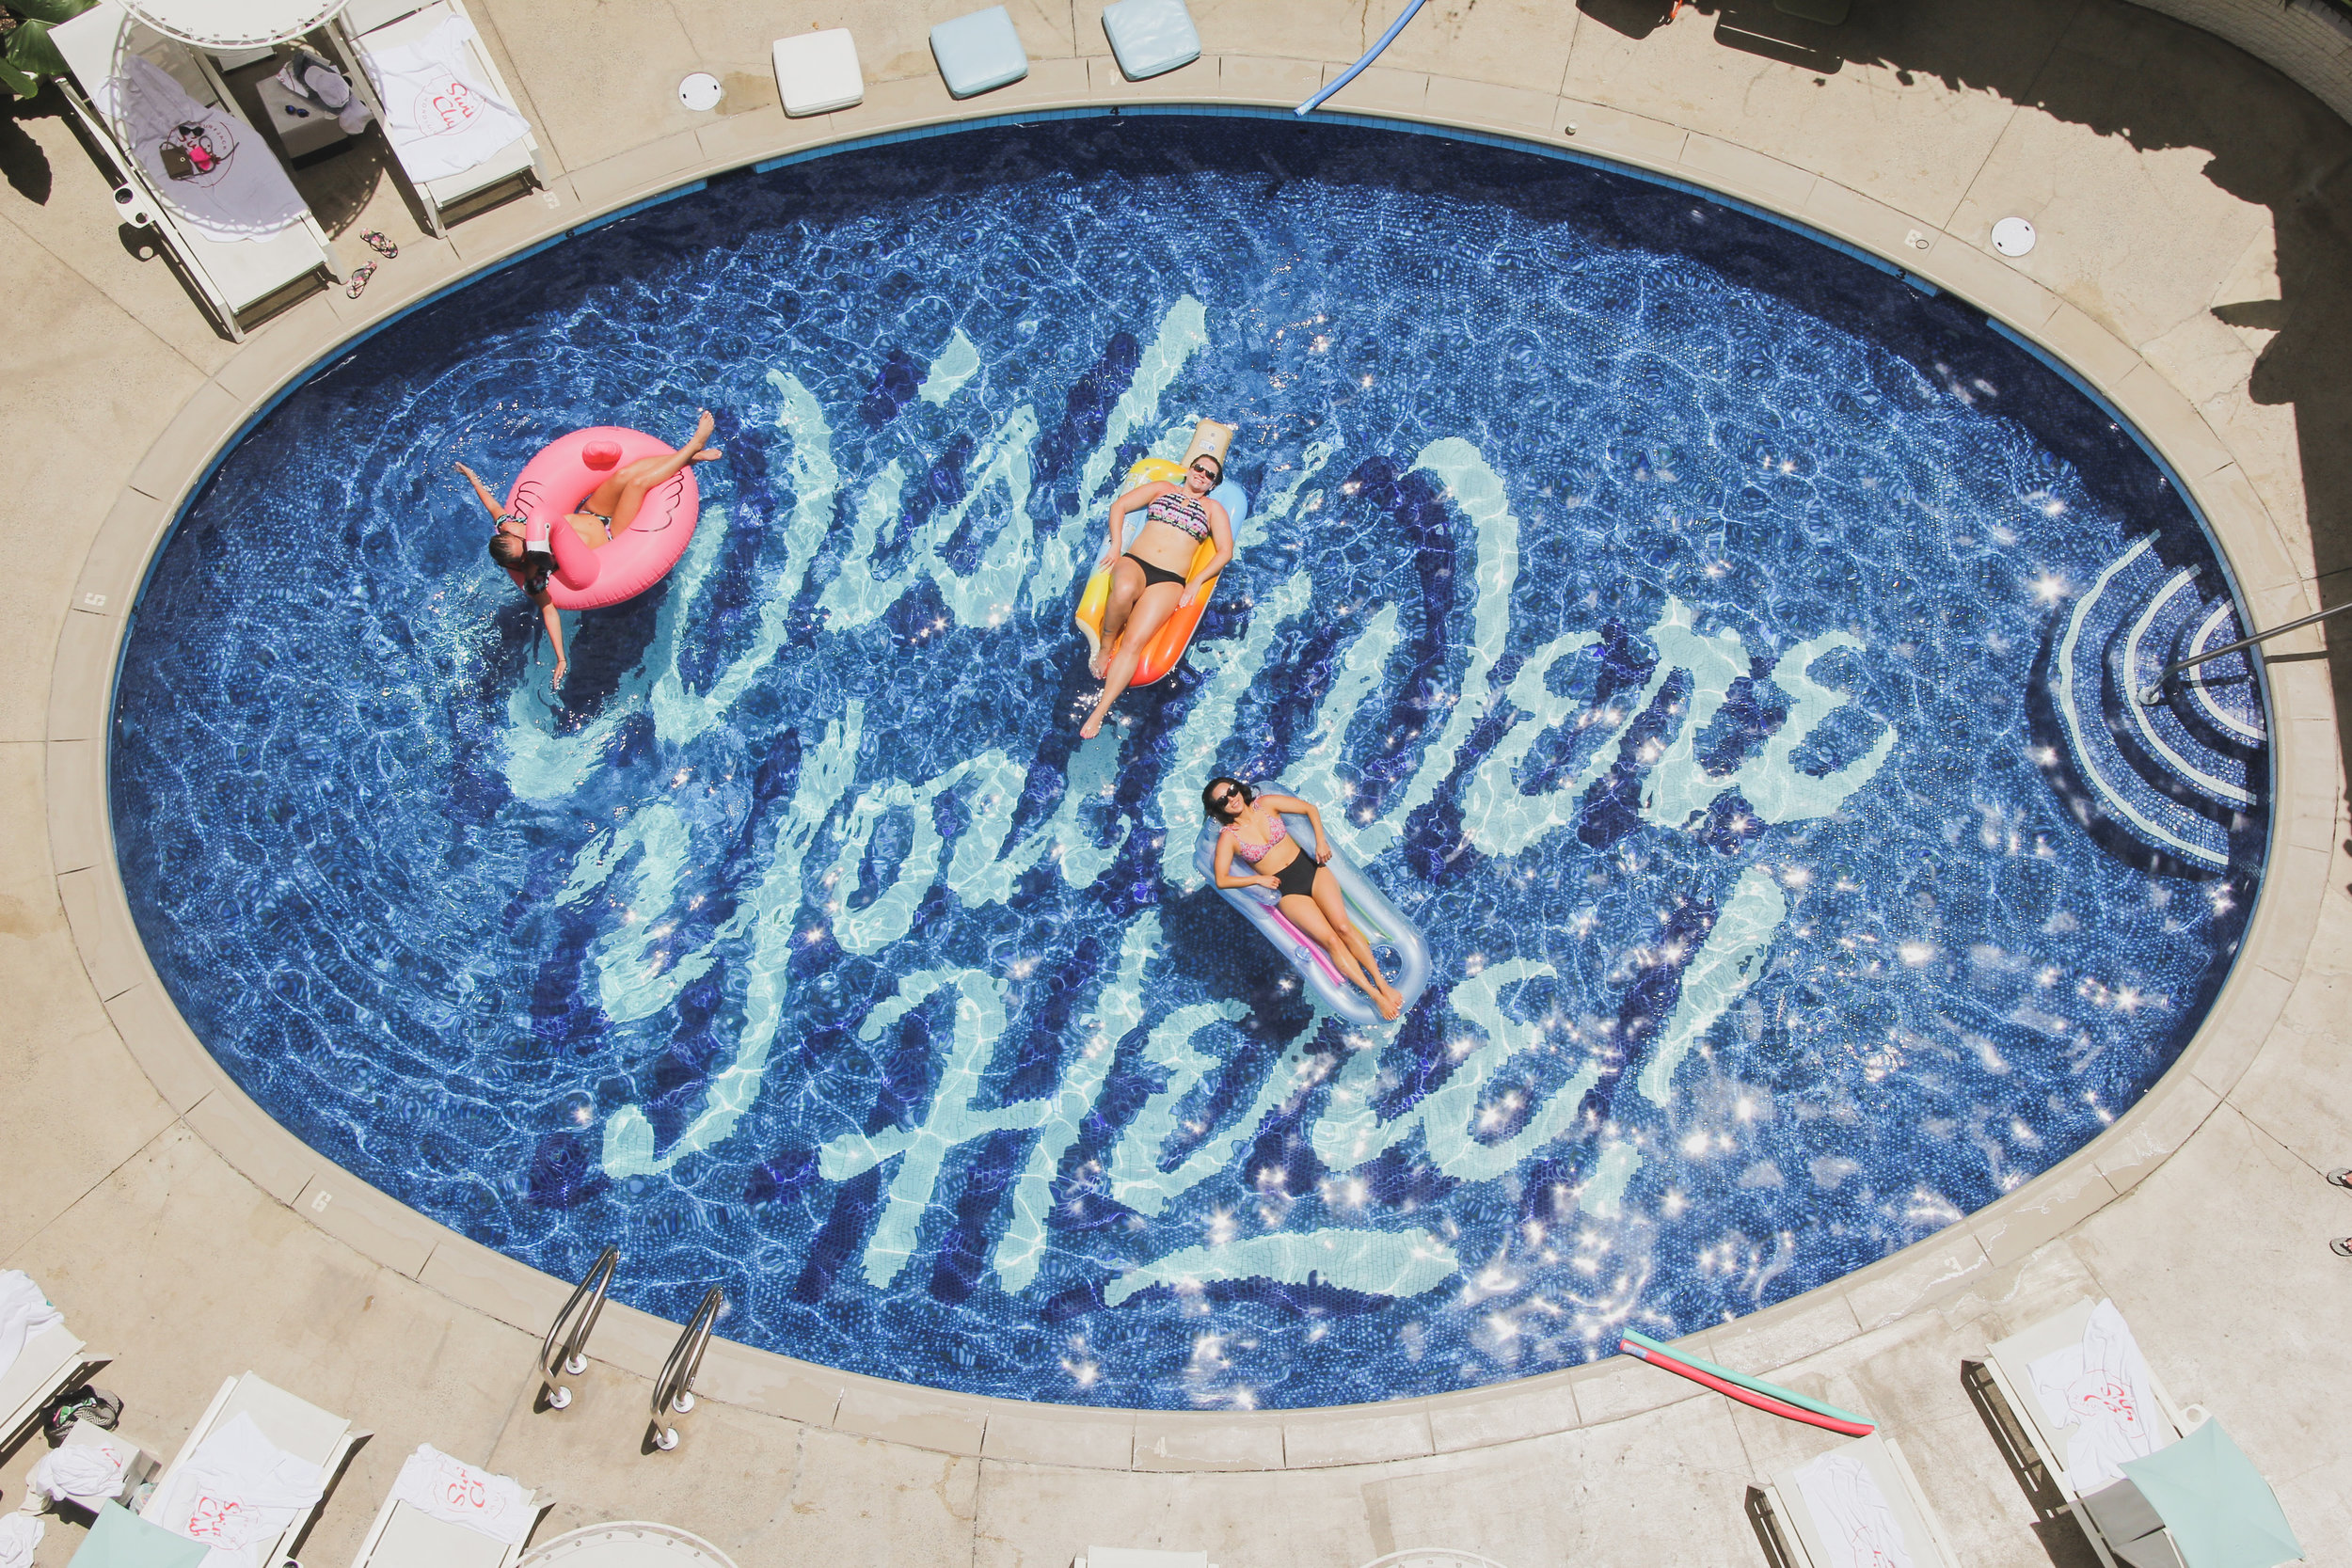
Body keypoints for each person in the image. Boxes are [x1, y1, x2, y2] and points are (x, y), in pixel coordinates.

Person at [454, 410, 722, 692]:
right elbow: (549, 611)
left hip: (592, 512)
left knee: (624, 474)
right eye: (524, 540)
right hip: (612, 534)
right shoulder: (536, 570)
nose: (525, 532)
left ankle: (689, 458)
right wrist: (560, 657)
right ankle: (692, 447)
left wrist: (472, 477)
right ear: (523, 556)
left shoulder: (512, 526)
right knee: (638, 485)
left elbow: (493, 507)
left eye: (519, 533)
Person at [1204, 777, 1404, 1021]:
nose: (1232, 799)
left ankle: (1384, 985)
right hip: (1287, 890)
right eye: (1223, 800)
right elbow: (1222, 879)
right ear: (1219, 808)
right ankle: (1376, 996)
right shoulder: (1230, 837)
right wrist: (1257, 880)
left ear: (1239, 788)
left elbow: (1310, 808)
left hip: (1311, 868)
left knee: (1343, 927)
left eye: (1232, 791)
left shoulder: (1265, 804)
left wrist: (1320, 842)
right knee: (1331, 941)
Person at [1081, 451, 1233, 738]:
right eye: (1198, 468)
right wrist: (1115, 546)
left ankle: (1100, 711)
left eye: (1209, 474)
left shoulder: (1214, 510)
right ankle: (1104, 648)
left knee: (1135, 642)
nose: (1201, 474)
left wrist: (1196, 581)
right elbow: (1120, 506)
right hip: (1136, 562)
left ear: (1213, 484)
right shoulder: (1163, 489)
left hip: (1171, 579)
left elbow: (1225, 552)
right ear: (1190, 469)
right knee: (1123, 590)